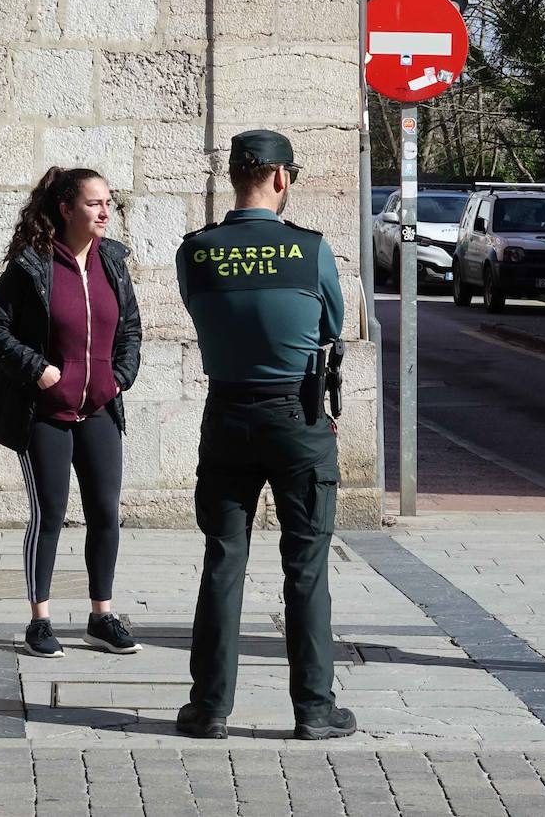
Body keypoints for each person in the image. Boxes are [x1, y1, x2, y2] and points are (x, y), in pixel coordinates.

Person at [173, 129, 351, 740]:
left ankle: (209, 708)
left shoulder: (196, 251)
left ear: (235, 177)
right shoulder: (311, 250)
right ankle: (314, 709)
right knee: (305, 564)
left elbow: (201, 311)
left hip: (226, 413)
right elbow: (333, 321)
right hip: (297, 418)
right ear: (281, 178)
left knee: (223, 559)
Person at [0, 167, 143, 659]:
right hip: (44, 412)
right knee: (49, 515)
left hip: (99, 409)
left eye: (108, 202)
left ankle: (101, 616)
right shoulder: (32, 266)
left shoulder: (113, 262)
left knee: (106, 515)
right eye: (94, 203)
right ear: (67, 209)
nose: (105, 212)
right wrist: (40, 371)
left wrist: (119, 377)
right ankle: (40, 619)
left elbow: (130, 330)